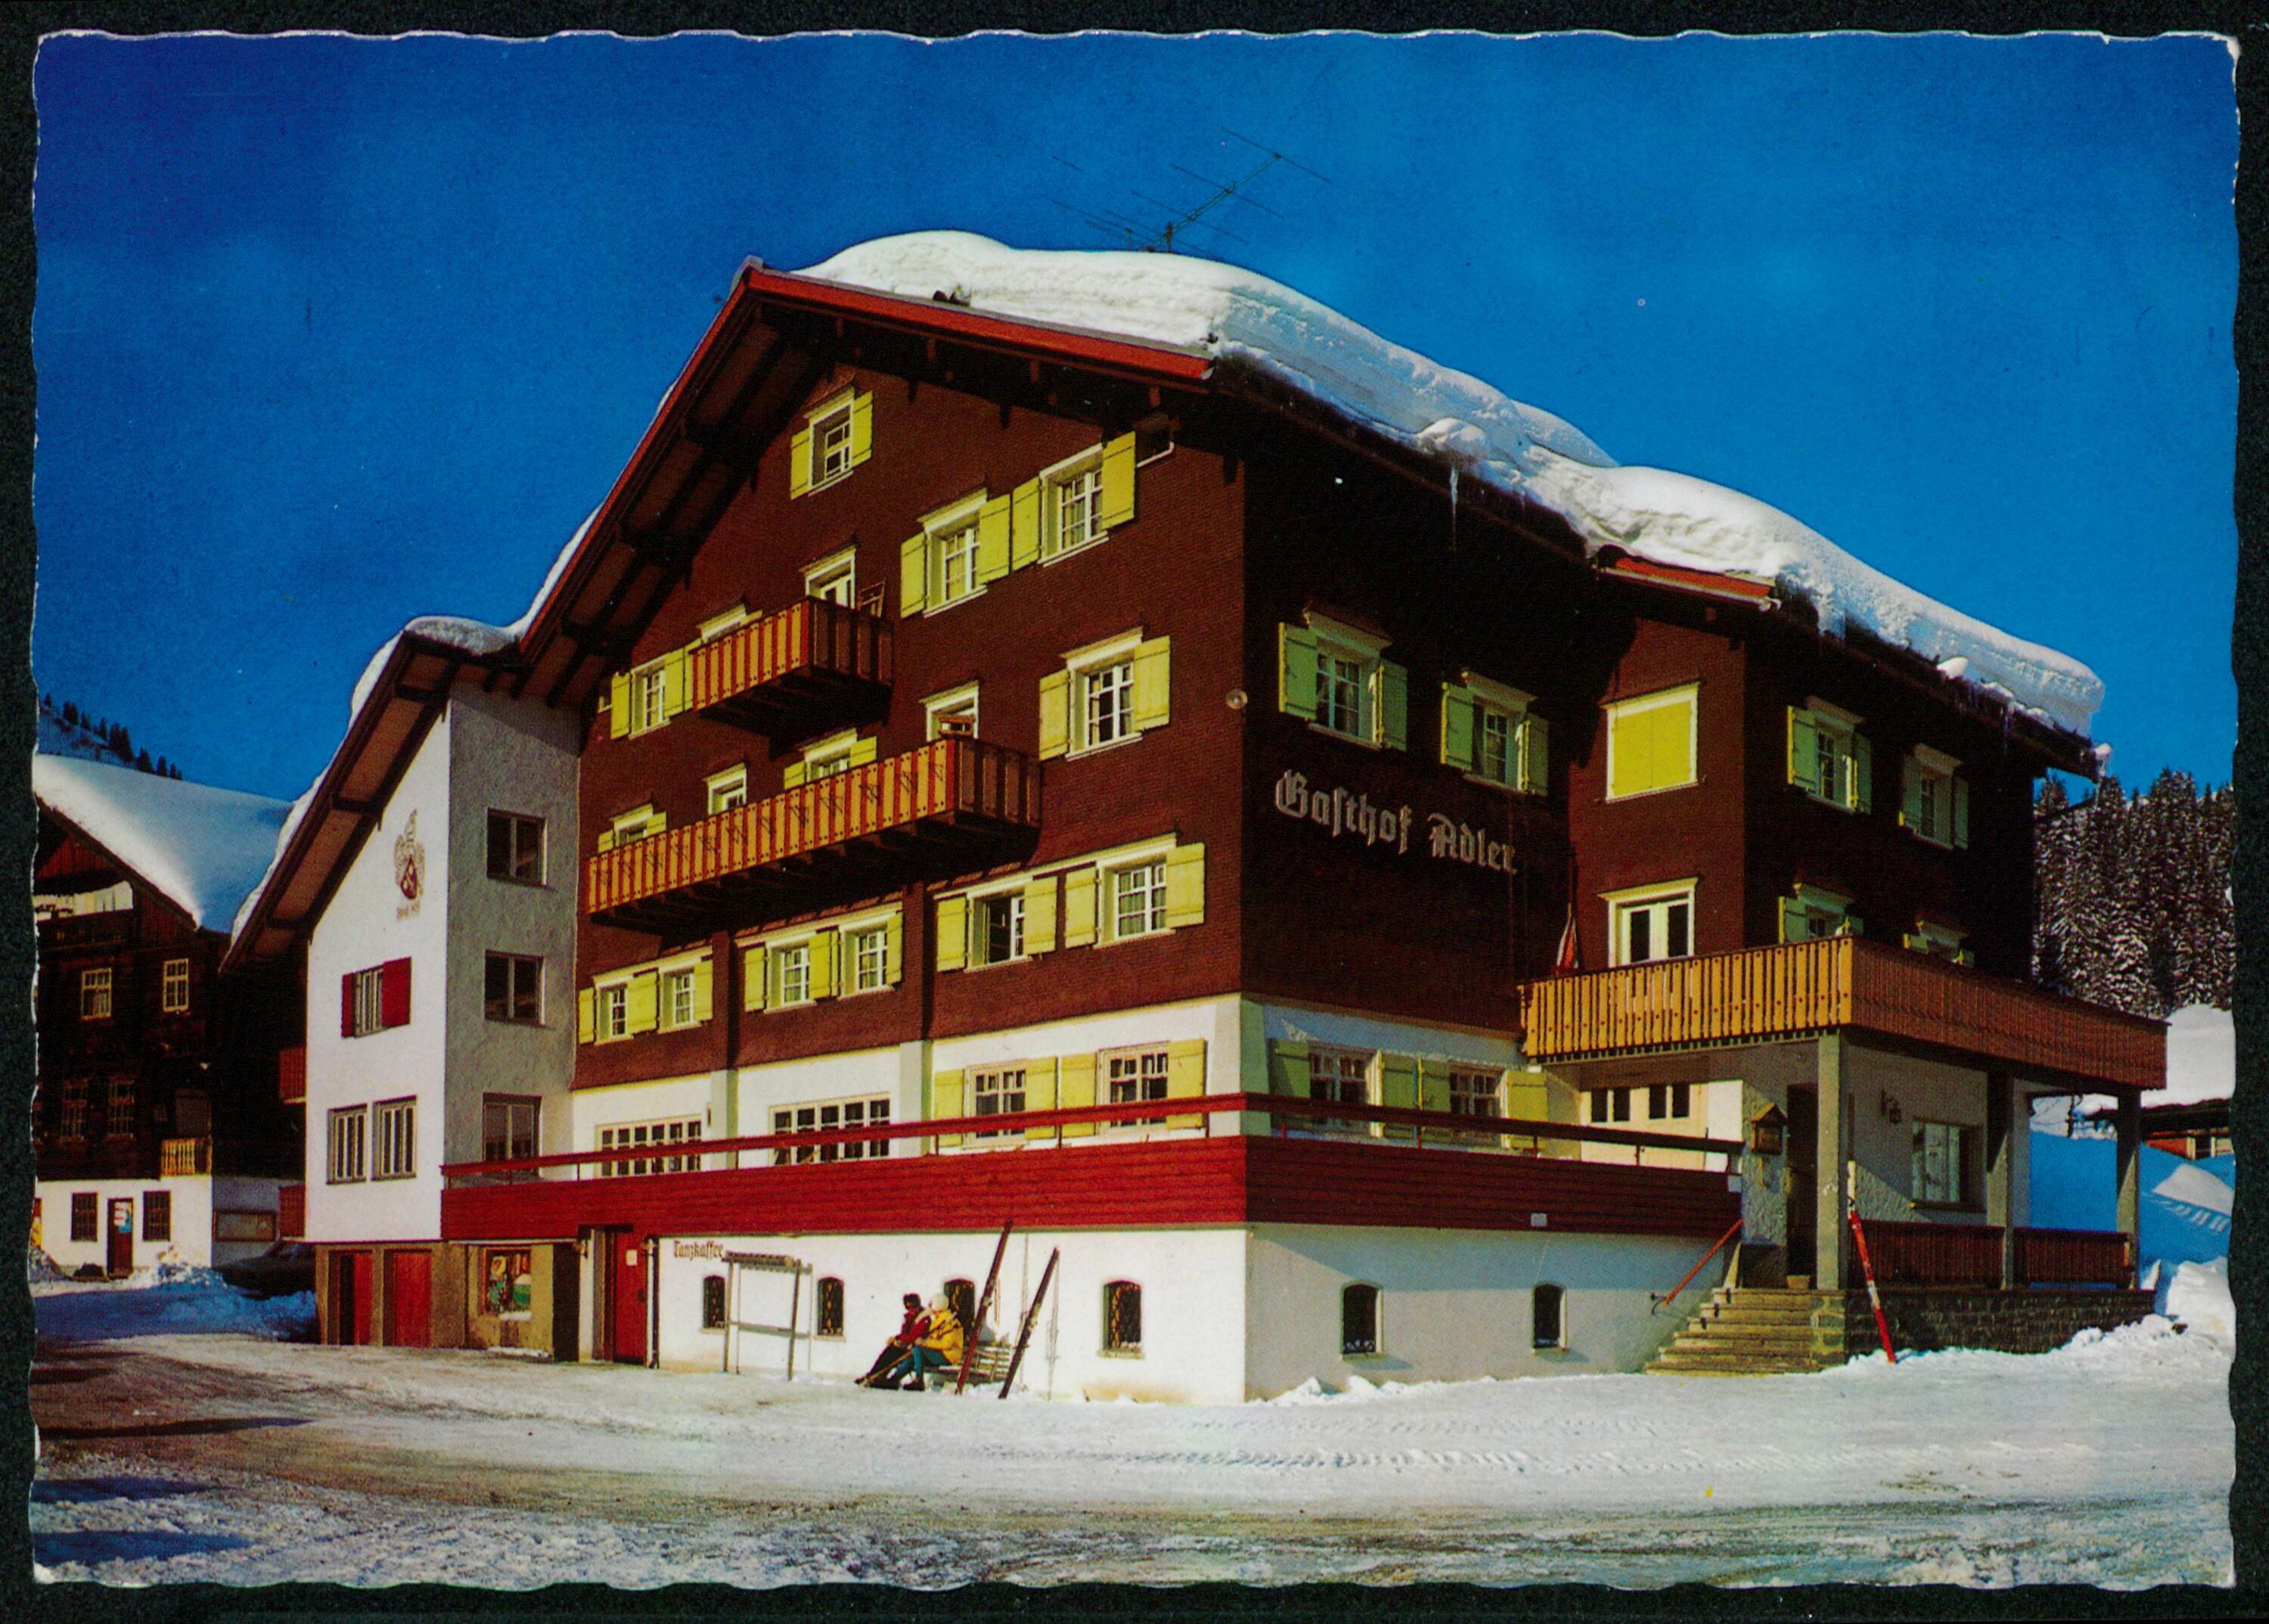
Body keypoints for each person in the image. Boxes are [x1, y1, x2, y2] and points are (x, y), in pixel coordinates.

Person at [875, 1293, 964, 1391]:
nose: (930, 1307)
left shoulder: (951, 1323)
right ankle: (894, 1379)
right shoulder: (939, 1319)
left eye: (932, 1305)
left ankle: (919, 1381)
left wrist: (925, 1343)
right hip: (939, 1353)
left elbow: (947, 1344)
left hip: (948, 1356)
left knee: (918, 1350)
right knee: (913, 1354)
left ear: (938, 1306)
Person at [858, 1293, 930, 1388]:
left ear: (918, 1305)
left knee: (892, 1352)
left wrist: (898, 1338)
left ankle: (877, 1376)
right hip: (907, 1344)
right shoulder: (909, 1317)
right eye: (908, 1308)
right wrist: (898, 1338)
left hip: (915, 1345)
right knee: (889, 1351)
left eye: (913, 1307)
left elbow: (915, 1336)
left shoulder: (924, 1318)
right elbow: (905, 1332)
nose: (911, 1310)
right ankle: (874, 1374)